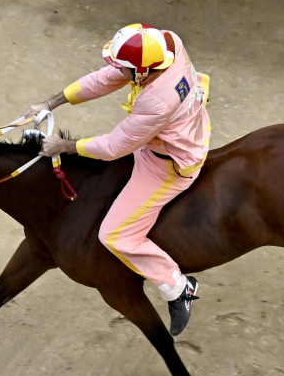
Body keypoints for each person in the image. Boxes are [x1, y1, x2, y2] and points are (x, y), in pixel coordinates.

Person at [25, 23, 211, 336]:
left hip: (169, 164)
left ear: (142, 71)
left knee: (116, 235)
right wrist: (50, 103)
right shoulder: (168, 43)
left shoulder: (157, 101)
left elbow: (114, 147)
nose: (118, 70)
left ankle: (179, 287)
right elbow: (108, 77)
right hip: (186, 118)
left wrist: (63, 146)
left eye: (124, 66)